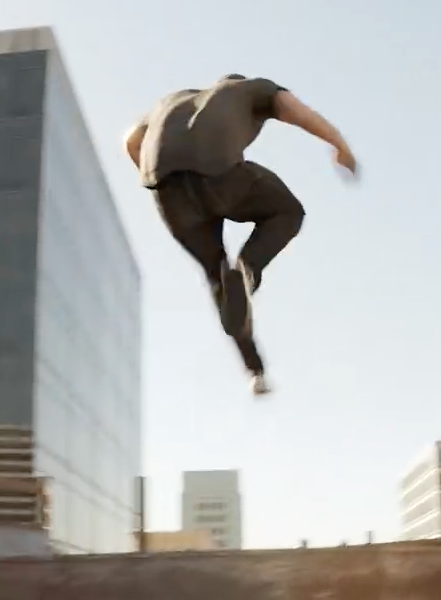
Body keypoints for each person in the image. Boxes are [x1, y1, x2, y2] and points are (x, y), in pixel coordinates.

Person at [124, 75, 357, 395]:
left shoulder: (171, 99)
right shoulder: (255, 89)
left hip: (162, 185)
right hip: (219, 169)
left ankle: (255, 371)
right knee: (287, 211)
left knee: (217, 277)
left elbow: (131, 142)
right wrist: (340, 146)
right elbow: (299, 112)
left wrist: (162, 181)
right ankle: (246, 269)